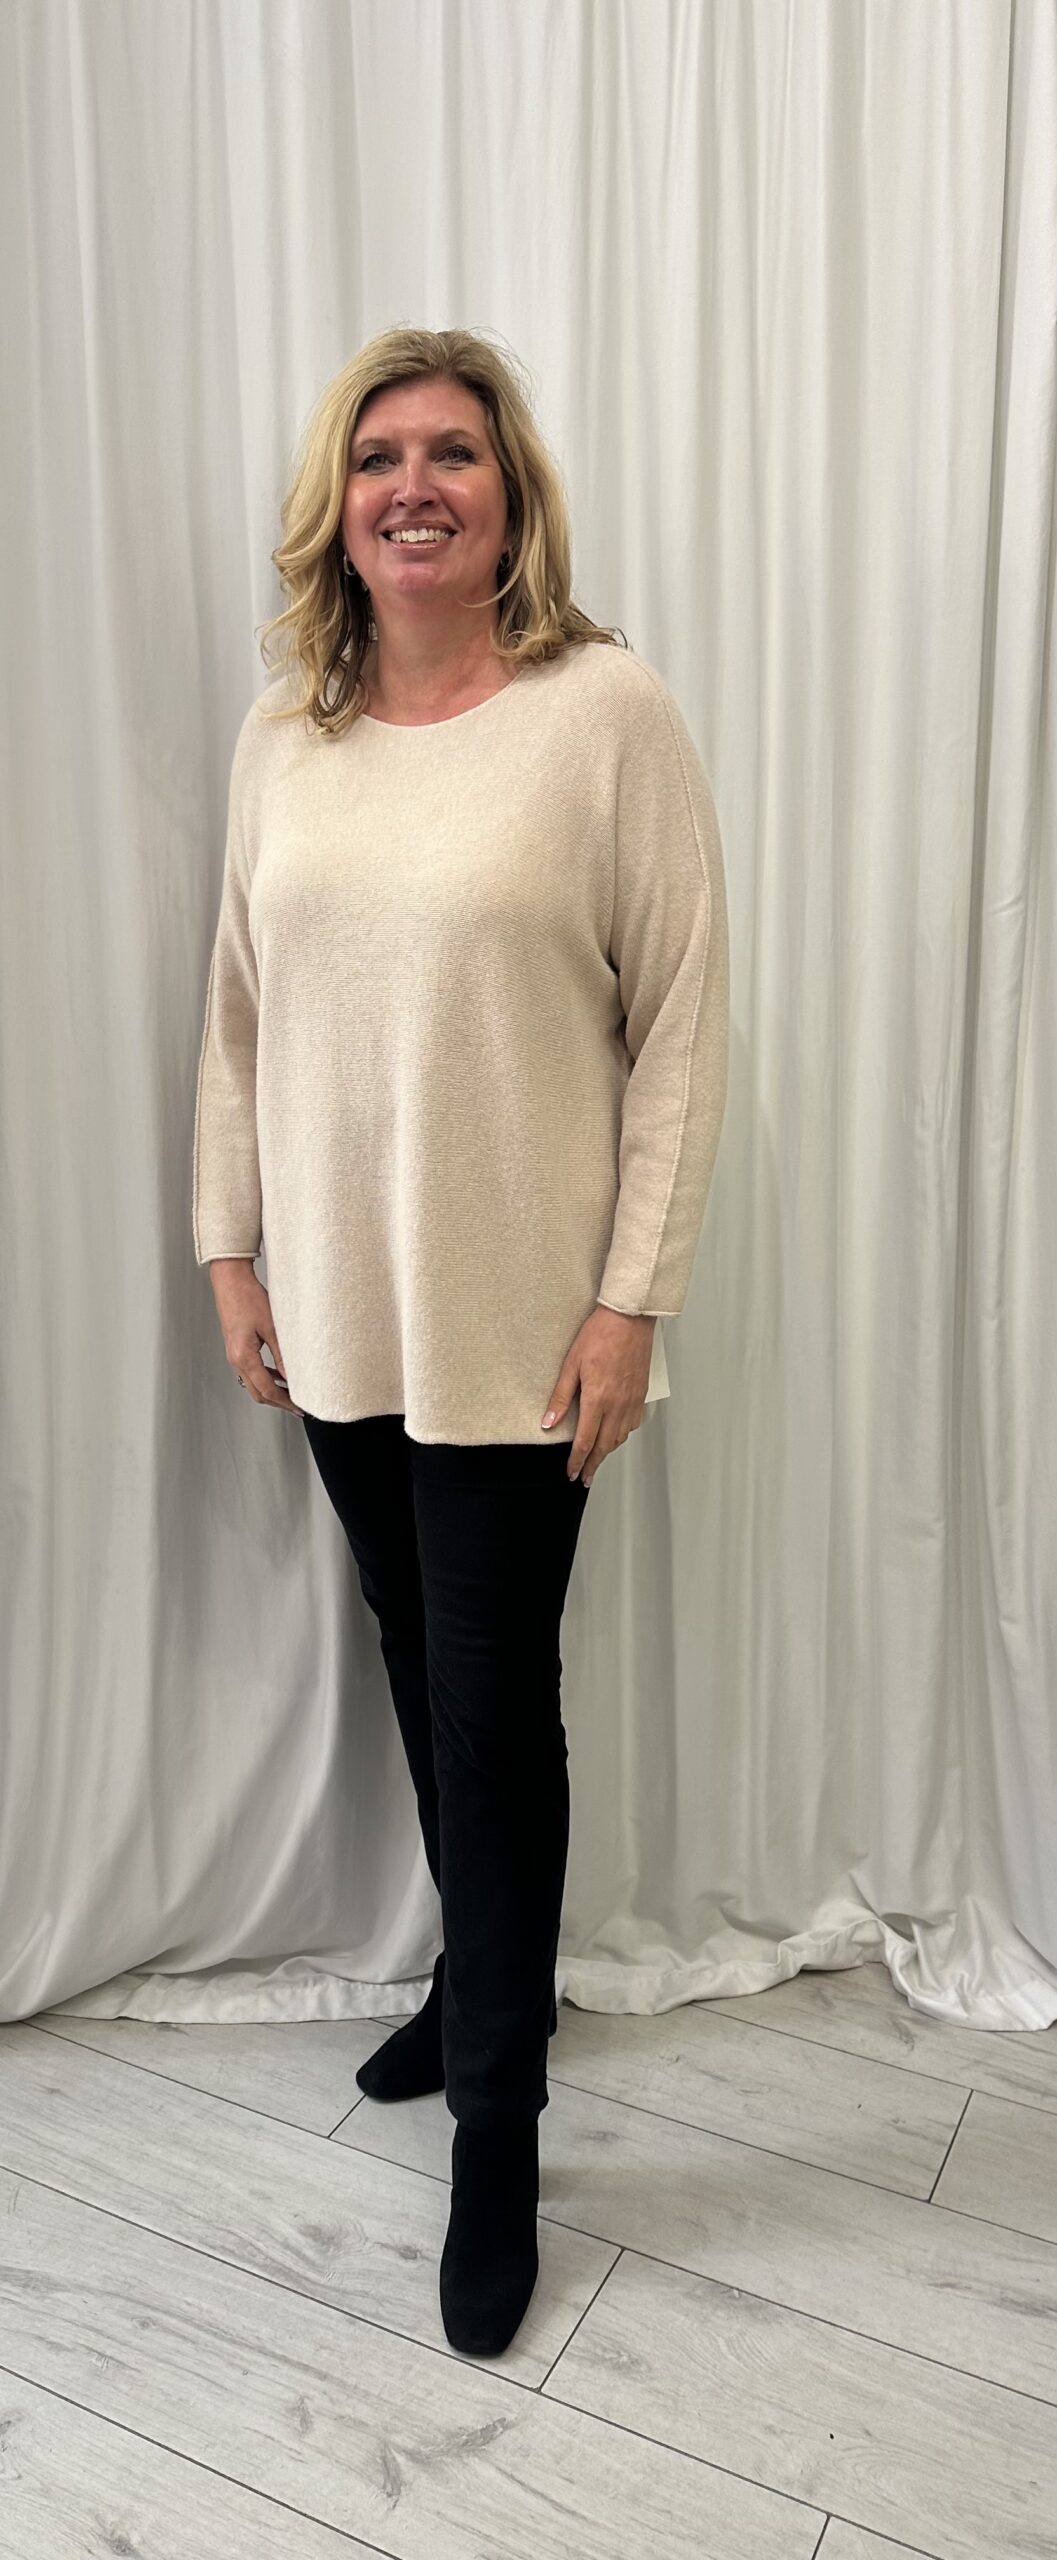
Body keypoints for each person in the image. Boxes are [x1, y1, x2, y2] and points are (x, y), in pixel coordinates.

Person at [191, 325, 730, 2359]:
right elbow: (237, 1011)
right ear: (339, 506)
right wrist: (230, 1248)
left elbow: (681, 1021)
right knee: (418, 1657)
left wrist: (630, 1295)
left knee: (495, 1709)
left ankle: (497, 2115)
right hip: (338, 1303)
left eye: (453, 454)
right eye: (379, 456)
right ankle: (476, 1983)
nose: (413, 485)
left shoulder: (603, 713)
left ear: (509, 499)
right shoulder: (287, 734)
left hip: (520, 1322)